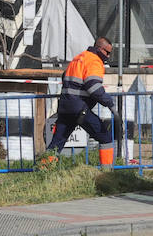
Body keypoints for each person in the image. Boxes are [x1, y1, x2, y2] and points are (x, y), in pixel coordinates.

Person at [44, 37, 119, 166]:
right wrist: (110, 104)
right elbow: (94, 88)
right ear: (100, 49)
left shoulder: (79, 58)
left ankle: (43, 171)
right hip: (79, 108)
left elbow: (65, 76)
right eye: (107, 52)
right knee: (105, 137)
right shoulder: (95, 61)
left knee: (57, 143)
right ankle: (107, 173)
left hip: (65, 106)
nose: (108, 56)